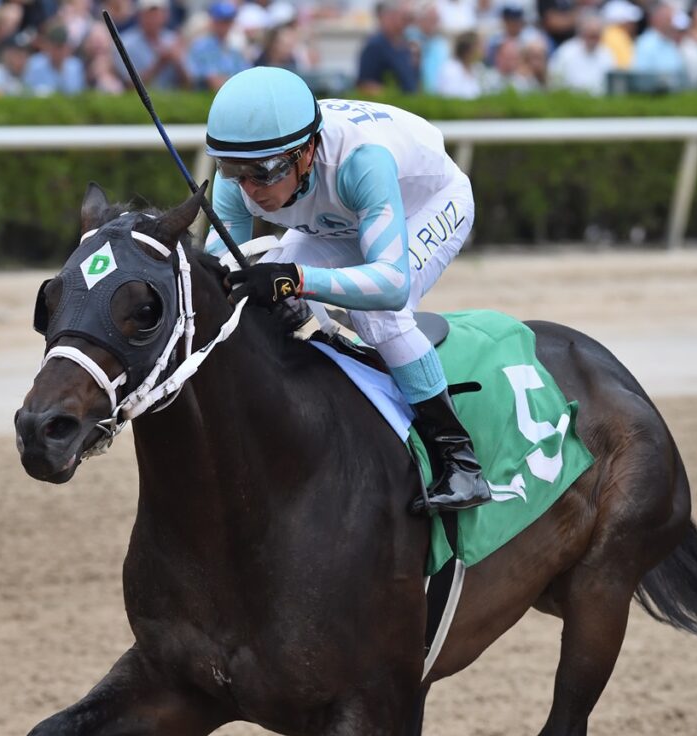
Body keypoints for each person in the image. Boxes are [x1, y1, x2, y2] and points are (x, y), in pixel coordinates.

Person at [203, 66, 492, 513]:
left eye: (261, 173)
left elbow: (390, 285)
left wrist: (295, 281)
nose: (249, 190)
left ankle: (458, 459)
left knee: (376, 315)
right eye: (234, 172)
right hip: (338, 221)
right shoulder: (240, 176)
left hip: (426, 205)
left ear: (306, 152)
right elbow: (223, 274)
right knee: (261, 293)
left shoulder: (362, 162)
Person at [356, 0, 419, 94]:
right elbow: (366, 84)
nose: (406, 23)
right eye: (403, 18)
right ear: (388, 17)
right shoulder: (375, 45)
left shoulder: (406, 44)